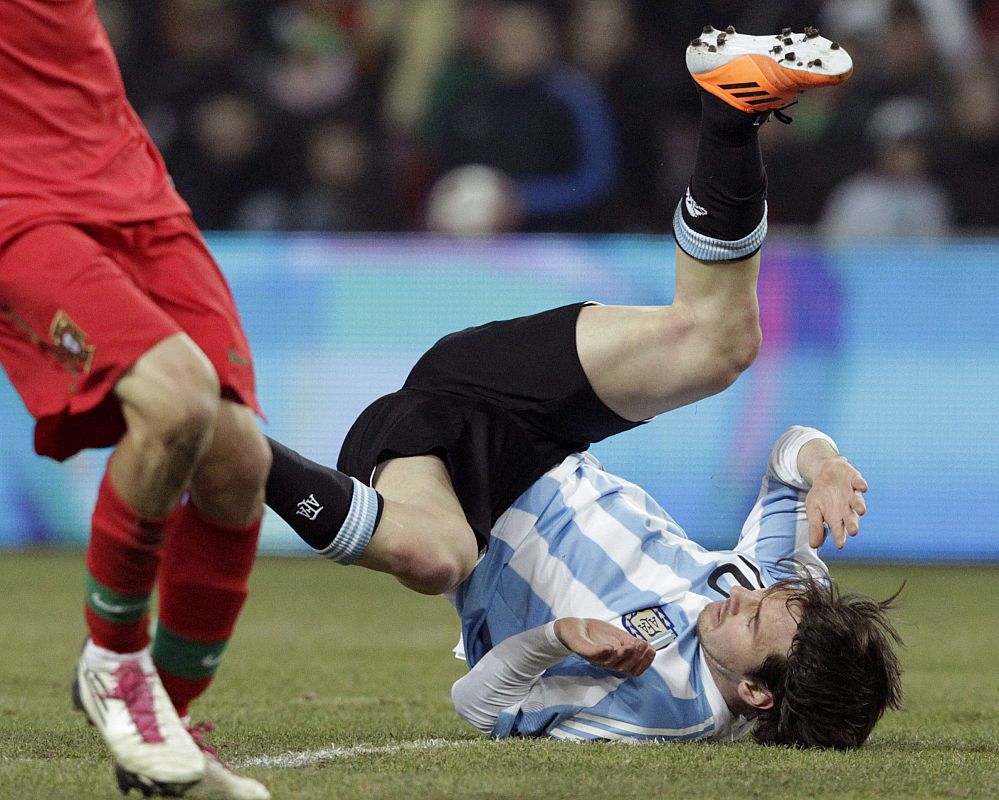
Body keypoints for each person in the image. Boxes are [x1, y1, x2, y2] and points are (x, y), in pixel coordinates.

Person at [265, 27, 902, 748]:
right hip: (536, 422)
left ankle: (234, 444)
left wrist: (556, 638)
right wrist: (823, 464)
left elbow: (477, 705)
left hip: (451, 489)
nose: (743, 598)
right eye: (762, 597)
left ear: (753, 692)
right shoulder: (788, 606)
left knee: (432, 556)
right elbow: (791, 453)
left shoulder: (663, 708)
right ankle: (730, 109)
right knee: (721, 344)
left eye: (750, 621)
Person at [0, 3, 270, 798]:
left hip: (133, 187)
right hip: (20, 201)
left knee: (237, 460)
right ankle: (113, 662)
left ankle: (161, 729)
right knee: (178, 404)